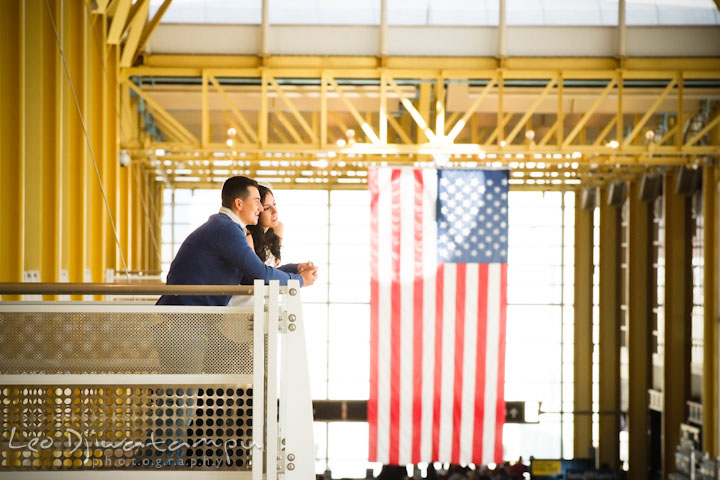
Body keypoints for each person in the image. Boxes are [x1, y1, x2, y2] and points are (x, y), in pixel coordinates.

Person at [157, 175, 317, 306]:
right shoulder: (226, 229)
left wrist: (295, 269)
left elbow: (249, 277)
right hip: (184, 318)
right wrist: (300, 280)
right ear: (239, 204)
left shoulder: (225, 226)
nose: (260, 208)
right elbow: (260, 274)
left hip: (188, 316)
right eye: (257, 202)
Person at [246, 183, 284, 267]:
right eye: (267, 208)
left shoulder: (276, 229)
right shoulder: (247, 236)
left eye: (274, 204)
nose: (275, 211)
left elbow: (274, 270)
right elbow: (256, 273)